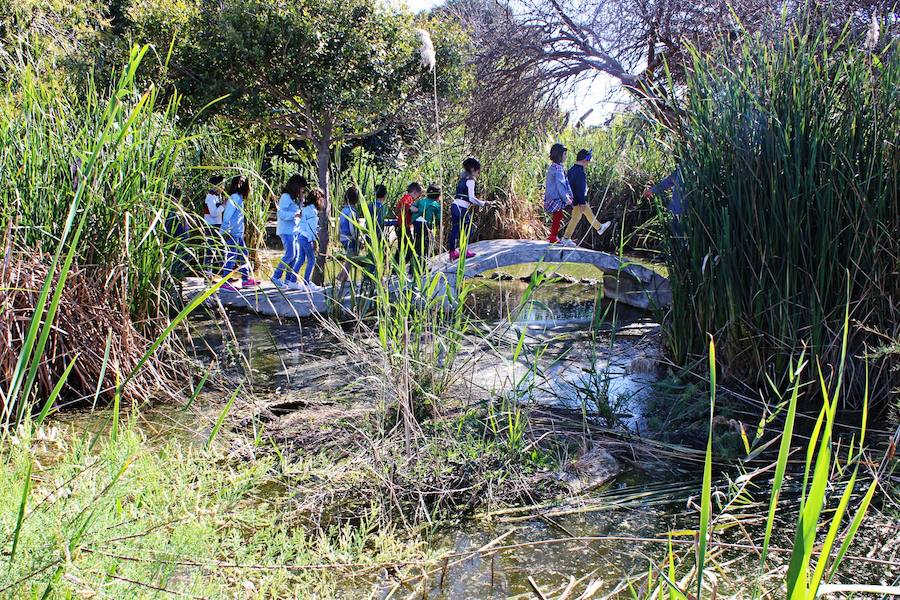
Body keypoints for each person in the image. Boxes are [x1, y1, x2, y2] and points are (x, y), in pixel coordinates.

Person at [562, 149, 611, 244]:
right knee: (579, 216)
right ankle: (566, 238)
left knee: (578, 217)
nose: (589, 163)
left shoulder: (571, 170)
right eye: (589, 160)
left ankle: (599, 227)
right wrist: (582, 202)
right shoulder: (580, 173)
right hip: (578, 200)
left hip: (573, 199)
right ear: (585, 160)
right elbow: (580, 188)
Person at [220, 175, 260, 290]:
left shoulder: (238, 198)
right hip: (232, 233)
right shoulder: (235, 198)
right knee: (231, 257)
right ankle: (224, 282)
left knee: (244, 255)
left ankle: (246, 279)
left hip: (238, 233)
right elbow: (227, 215)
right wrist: (225, 231)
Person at [271, 174, 307, 288]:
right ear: (297, 186)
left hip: (294, 230)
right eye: (302, 188)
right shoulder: (285, 197)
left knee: (295, 256)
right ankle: (276, 277)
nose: (302, 190)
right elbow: (281, 214)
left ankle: (288, 280)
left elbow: (300, 212)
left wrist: (301, 201)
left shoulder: (294, 198)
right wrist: (294, 214)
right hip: (286, 231)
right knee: (290, 254)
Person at [448, 156, 486, 260]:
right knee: (467, 230)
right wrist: (483, 203)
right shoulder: (470, 181)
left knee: (455, 229)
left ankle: (452, 253)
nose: (478, 174)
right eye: (478, 171)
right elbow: (471, 198)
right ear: (473, 170)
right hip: (462, 208)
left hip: (455, 206)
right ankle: (464, 251)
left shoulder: (462, 180)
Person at [292, 187, 325, 291]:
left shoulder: (306, 208)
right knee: (311, 259)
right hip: (306, 238)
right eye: (322, 199)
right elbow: (311, 228)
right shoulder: (313, 211)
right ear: (318, 199)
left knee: (301, 259)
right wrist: (314, 241)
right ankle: (307, 282)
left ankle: (292, 281)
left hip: (300, 236)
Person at [544, 143, 573, 245]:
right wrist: (566, 198)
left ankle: (553, 235)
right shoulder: (558, 169)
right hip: (556, 196)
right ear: (559, 155)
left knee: (557, 215)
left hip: (552, 195)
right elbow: (561, 185)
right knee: (558, 215)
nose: (566, 157)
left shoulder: (554, 167)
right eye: (565, 154)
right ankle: (553, 236)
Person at [395, 182, 424, 270]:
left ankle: (396, 268)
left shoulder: (406, 198)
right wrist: (420, 210)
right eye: (419, 195)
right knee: (410, 249)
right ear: (415, 192)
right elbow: (406, 205)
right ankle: (414, 268)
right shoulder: (408, 198)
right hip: (403, 227)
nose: (418, 197)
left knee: (402, 248)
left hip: (402, 226)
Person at [337, 185, 361, 285]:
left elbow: (339, 225)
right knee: (350, 259)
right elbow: (352, 227)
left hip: (343, 237)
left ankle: (341, 276)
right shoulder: (352, 212)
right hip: (350, 238)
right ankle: (342, 278)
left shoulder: (343, 210)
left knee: (349, 258)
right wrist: (357, 237)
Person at [413, 184, 442, 268]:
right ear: (438, 196)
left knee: (417, 244)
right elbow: (438, 219)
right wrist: (436, 227)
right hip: (425, 225)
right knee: (425, 246)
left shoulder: (421, 201)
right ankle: (422, 267)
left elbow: (412, 208)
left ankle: (413, 267)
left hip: (416, 223)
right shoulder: (436, 205)